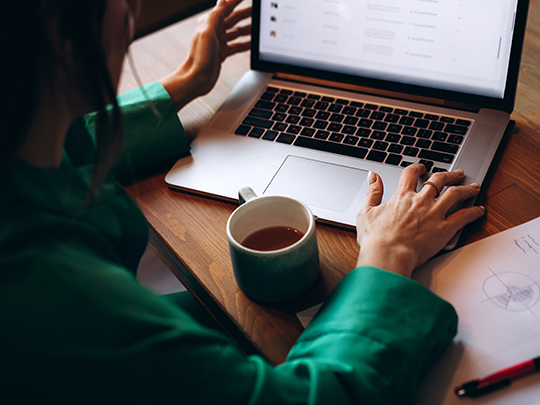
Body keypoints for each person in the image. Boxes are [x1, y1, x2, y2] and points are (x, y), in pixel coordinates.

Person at [0, 0, 486, 403]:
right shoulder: (60, 299)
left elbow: (62, 142)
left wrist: (185, 82)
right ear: (64, 43)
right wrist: (388, 254)